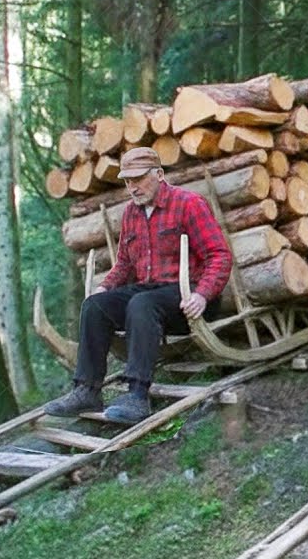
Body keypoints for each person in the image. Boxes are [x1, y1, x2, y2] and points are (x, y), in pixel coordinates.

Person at [45, 147, 233, 424]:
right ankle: (87, 389)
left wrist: (202, 295)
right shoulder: (131, 215)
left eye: (138, 179)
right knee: (95, 306)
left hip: (188, 297)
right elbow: (124, 265)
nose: (132, 187)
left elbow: (219, 255)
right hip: (150, 294)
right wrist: (104, 288)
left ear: (159, 174)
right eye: (127, 181)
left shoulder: (188, 204)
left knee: (141, 303)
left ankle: (137, 395)